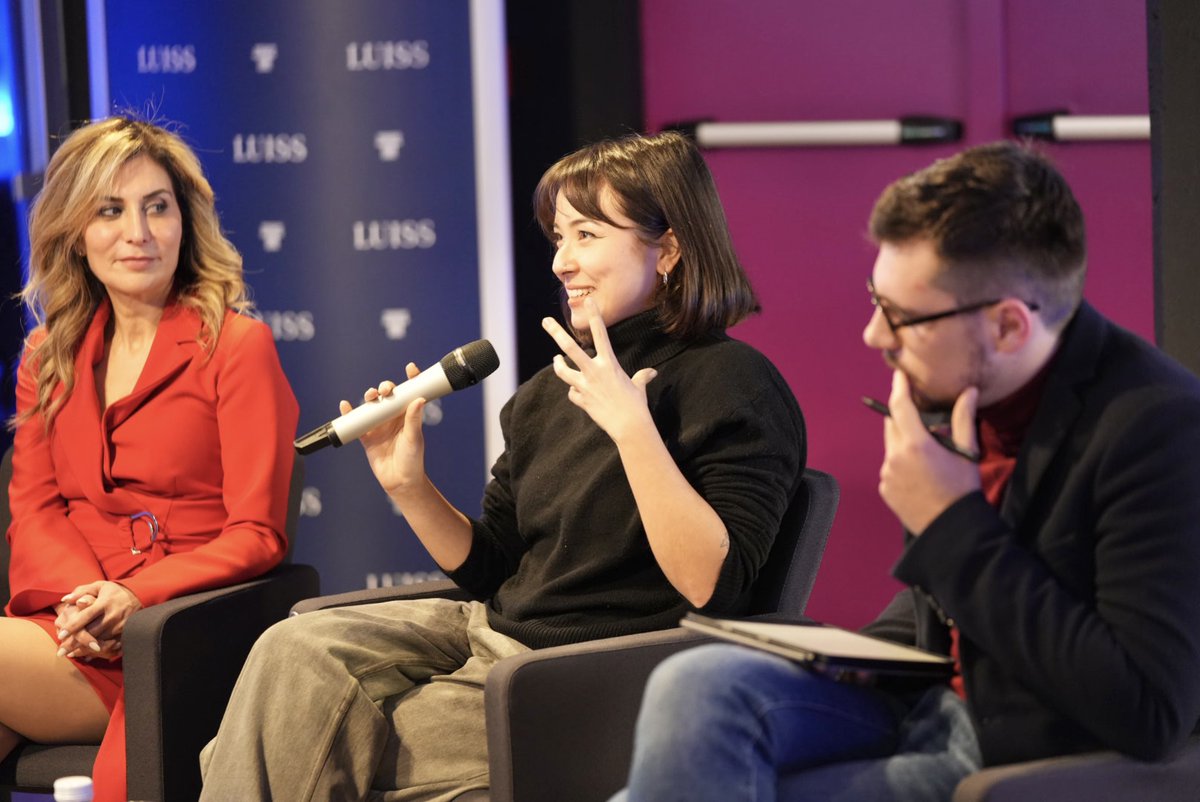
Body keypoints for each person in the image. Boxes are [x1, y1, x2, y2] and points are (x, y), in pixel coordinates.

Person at [198, 130, 807, 801]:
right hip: (489, 633)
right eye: (558, 239)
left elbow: (713, 588)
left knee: (268, 745)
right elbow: (492, 568)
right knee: (292, 654)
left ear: (668, 248)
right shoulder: (549, 393)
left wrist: (635, 432)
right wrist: (408, 486)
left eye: (586, 236)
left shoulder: (735, 384)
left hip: (589, 674)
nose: (561, 264)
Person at [609, 141, 1200, 802]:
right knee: (696, 683)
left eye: (902, 316)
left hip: (1022, 746)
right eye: (875, 298)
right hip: (926, 703)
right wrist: (837, 657)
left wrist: (949, 521)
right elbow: (946, 616)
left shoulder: (1158, 431)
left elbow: (1149, 712)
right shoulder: (971, 387)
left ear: (1007, 326)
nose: (874, 335)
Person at [1, 115, 299, 802]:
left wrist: (136, 598)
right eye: (110, 210)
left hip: (182, 629)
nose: (137, 232)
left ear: (184, 224)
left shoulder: (237, 345)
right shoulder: (48, 355)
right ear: (77, 231)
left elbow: (259, 533)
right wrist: (87, 606)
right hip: (75, 630)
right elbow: (35, 511)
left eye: (156, 207)